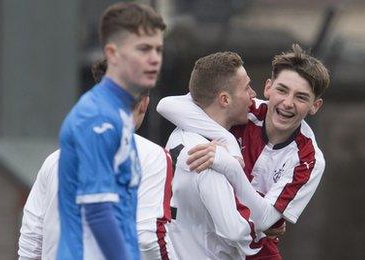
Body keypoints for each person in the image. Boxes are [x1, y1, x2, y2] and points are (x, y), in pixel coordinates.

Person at [157, 44, 329, 259]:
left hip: (253, 249)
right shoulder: (245, 110)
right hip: (206, 238)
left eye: (301, 97)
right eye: (282, 90)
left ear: (315, 106)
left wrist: (230, 166)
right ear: (268, 88)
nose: (287, 103)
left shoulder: (309, 159)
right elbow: (167, 106)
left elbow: (266, 220)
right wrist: (227, 141)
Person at [19, 60, 173, 260]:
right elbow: (148, 237)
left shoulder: (55, 159)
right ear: (144, 103)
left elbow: (31, 242)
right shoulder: (153, 156)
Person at [56, 3, 166, 259]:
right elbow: (98, 211)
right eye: (144, 49)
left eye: (158, 49)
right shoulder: (97, 116)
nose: (154, 59)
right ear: (113, 54)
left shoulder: (118, 112)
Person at [163, 51, 274, 259]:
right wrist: (265, 227)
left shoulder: (179, 133)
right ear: (224, 99)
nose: (253, 94)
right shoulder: (207, 158)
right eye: (246, 87)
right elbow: (234, 230)